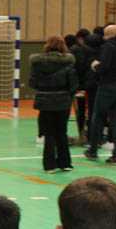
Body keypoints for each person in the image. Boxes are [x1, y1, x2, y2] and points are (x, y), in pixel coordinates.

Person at [85, 25, 116, 164]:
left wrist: (95, 66)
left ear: (109, 35)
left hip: (109, 85)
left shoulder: (109, 46)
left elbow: (104, 67)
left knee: (98, 118)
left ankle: (93, 150)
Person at [30, 36, 78, 172]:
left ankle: (49, 165)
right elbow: (73, 83)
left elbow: (32, 82)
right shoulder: (69, 62)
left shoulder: (37, 63)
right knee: (62, 132)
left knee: (49, 134)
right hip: (63, 100)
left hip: (44, 100)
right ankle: (65, 163)